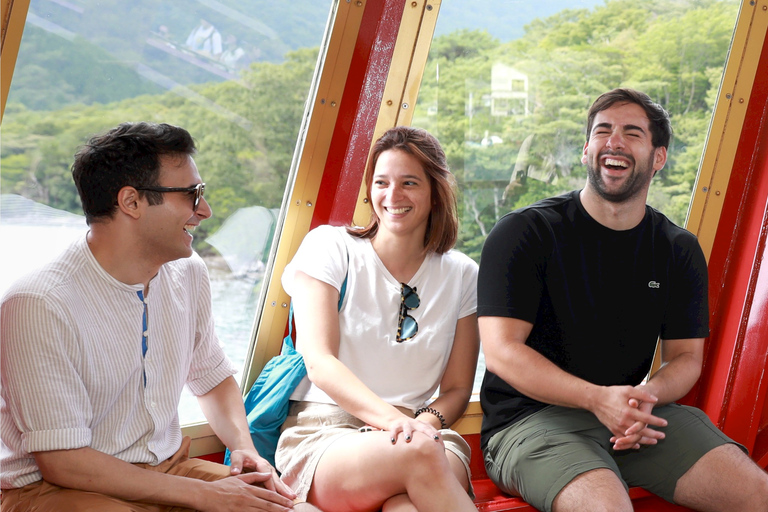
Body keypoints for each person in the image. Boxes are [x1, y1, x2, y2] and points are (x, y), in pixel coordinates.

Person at [477, 88, 768, 512]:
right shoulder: (526, 232)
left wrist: (645, 398)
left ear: (658, 157)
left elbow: (686, 358)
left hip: (634, 415)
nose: (614, 141)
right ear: (586, 150)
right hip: (530, 422)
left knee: (758, 495)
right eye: (603, 131)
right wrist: (598, 400)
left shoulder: (677, 248)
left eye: (632, 133)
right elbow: (502, 353)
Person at [0, 122, 305, 511]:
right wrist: (208, 496)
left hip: (167, 472)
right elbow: (64, 462)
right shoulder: (39, 304)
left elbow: (211, 378)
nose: (205, 211)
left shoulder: (188, 271)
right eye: (192, 195)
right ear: (132, 202)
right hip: (56, 490)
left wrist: (244, 448)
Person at [276, 126, 480, 512]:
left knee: (405, 505)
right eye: (382, 182)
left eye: (409, 183)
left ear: (436, 192)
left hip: (424, 433)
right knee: (418, 457)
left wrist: (424, 425)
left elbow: (455, 389)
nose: (393, 196)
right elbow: (319, 361)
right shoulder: (330, 248)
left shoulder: (463, 274)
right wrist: (395, 425)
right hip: (328, 432)